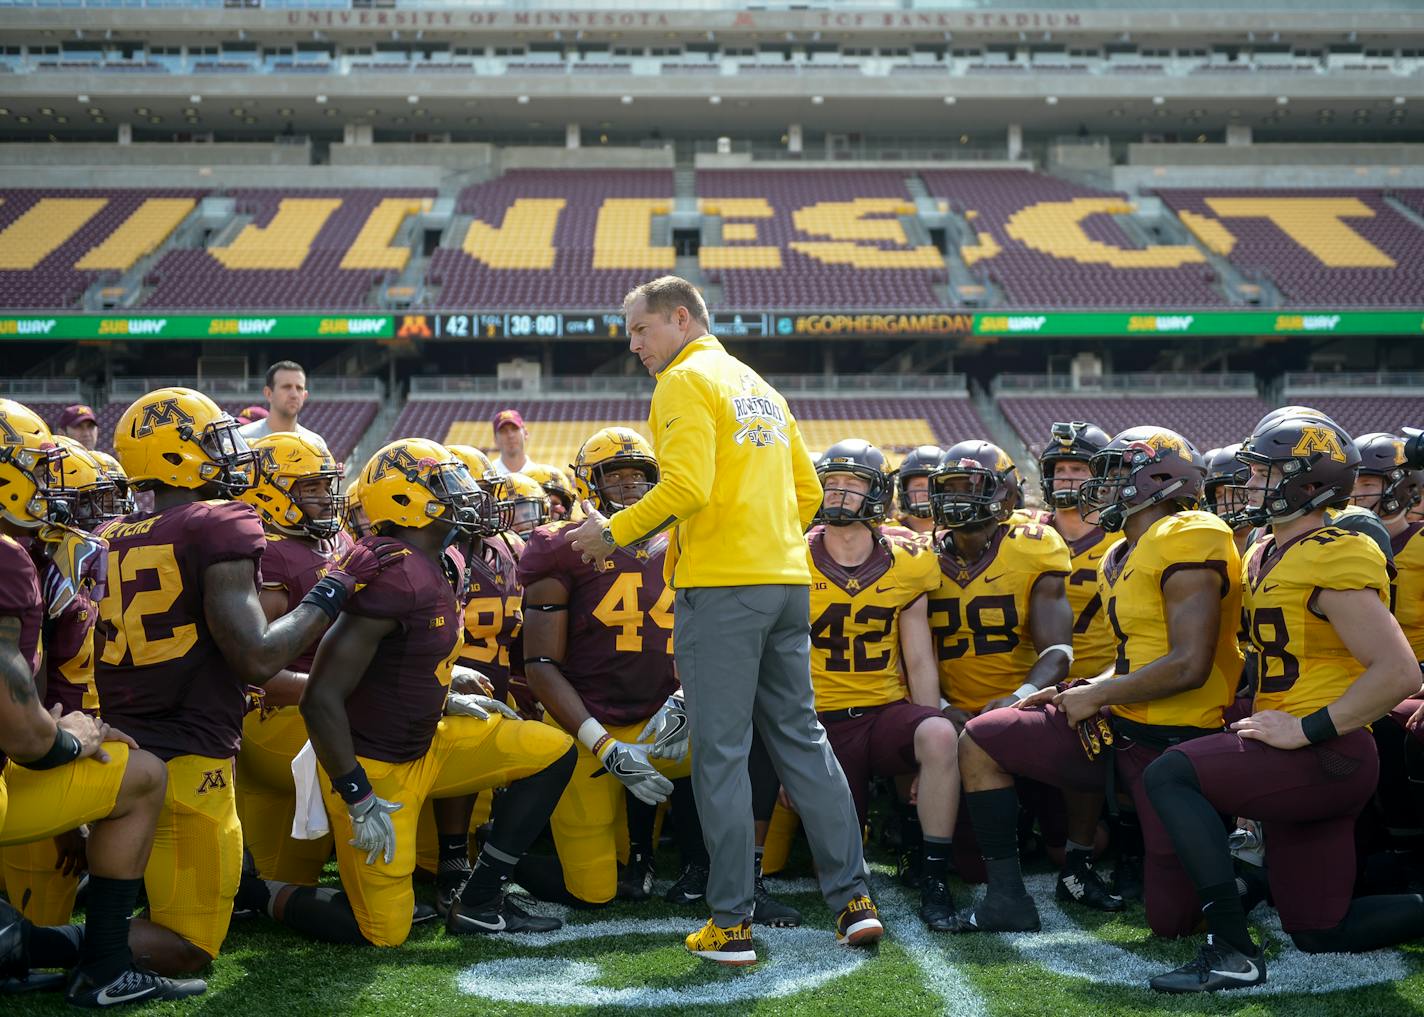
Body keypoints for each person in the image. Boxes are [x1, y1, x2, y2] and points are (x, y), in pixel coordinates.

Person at [566, 275, 881, 967]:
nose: (634, 346)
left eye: (641, 330)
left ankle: (731, 923)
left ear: (680, 318)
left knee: (720, 754)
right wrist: (763, 541)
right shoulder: (759, 385)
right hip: (785, 581)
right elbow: (807, 492)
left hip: (723, 590)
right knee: (802, 737)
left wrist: (612, 533)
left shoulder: (684, 381)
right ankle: (854, 900)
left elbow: (684, 487)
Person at [95, 387, 398, 975]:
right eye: (212, 441)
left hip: (128, 748)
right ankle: (27, 940)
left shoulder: (115, 533)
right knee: (192, 949)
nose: (232, 452)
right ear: (175, 456)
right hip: (190, 757)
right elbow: (258, 659)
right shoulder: (218, 521)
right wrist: (335, 587)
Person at [1144, 414, 1424, 993]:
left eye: (1265, 473)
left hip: (1328, 750)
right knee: (1320, 929)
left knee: (1170, 775)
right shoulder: (1268, 549)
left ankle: (1230, 950)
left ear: (1307, 483)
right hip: (1307, 753)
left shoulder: (1333, 551)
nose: (1248, 483)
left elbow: (1398, 670)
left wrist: (1306, 730)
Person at [271, 439, 577, 946]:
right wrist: (357, 795)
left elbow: (404, 655)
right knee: (383, 932)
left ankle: (480, 899)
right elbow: (320, 696)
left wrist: (446, 689)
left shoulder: (439, 560)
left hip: (428, 742)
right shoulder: (394, 571)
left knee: (552, 751)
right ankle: (259, 892)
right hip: (375, 766)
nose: (462, 493)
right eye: (444, 483)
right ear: (404, 499)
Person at [956, 427, 1243, 936]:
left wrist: (1098, 694)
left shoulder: (1189, 533)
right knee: (982, 738)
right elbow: (1136, 656)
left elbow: (1189, 664)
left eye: (1113, 474)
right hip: (1124, 723)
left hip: (1178, 741)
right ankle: (1006, 898)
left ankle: (1252, 875)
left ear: (1157, 480)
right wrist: (1081, 687)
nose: (1097, 485)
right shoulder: (1122, 552)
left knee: (1173, 921)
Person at [0, 397, 206, 1006]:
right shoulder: (10, 556)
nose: (50, 486)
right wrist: (75, 738)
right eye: (35, 467)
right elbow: (24, 733)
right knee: (140, 776)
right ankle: (103, 964)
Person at [517, 427, 708, 910]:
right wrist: (602, 744)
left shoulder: (688, 537)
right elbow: (539, 665)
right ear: (588, 484)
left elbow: (715, 636)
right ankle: (502, 854)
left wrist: (689, 696)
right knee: (593, 892)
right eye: (614, 477)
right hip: (587, 728)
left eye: (638, 476)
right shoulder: (560, 546)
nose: (629, 488)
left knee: (750, 733)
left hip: (667, 718)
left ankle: (717, 864)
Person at [794, 439, 961, 932]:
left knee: (938, 734)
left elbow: (919, 659)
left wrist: (923, 736)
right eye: (831, 484)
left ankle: (934, 878)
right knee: (831, 854)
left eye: (852, 485)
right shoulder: (791, 556)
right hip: (818, 722)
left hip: (883, 712)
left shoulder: (908, 560)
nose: (839, 494)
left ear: (877, 494)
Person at [2, 436, 116, 928]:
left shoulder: (38, 558)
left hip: (33, 740)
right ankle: (101, 958)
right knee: (144, 777)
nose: (59, 502)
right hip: (32, 748)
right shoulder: (20, 560)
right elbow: (34, 702)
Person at [232, 432, 348, 888]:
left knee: (283, 879)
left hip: (309, 711)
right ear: (270, 491)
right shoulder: (273, 554)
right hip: (277, 716)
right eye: (310, 489)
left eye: (326, 487)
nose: (324, 499)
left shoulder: (327, 543)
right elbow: (254, 666)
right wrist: (340, 692)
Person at [237, 361, 324, 450]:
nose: (294, 394)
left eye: (299, 388)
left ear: (305, 396)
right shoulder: (241, 440)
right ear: (268, 393)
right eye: (286, 387)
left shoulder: (315, 444)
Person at [891, 445, 942, 536]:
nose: (926, 493)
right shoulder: (890, 531)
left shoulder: (960, 532)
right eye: (918, 486)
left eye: (933, 486)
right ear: (904, 489)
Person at [490, 409, 531, 477]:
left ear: (525, 433)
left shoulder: (541, 475)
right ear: (495, 440)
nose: (510, 435)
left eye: (514, 429)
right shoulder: (487, 478)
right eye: (503, 431)